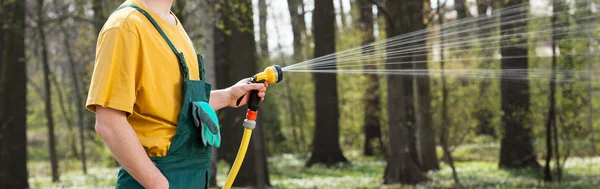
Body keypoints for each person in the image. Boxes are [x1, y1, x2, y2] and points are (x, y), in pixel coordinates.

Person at [85, 0, 268, 188]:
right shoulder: (125, 26)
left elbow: (175, 107)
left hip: (193, 176)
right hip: (157, 178)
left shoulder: (173, 24)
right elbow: (109, 122)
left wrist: (228, 96)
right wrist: (158, 184)